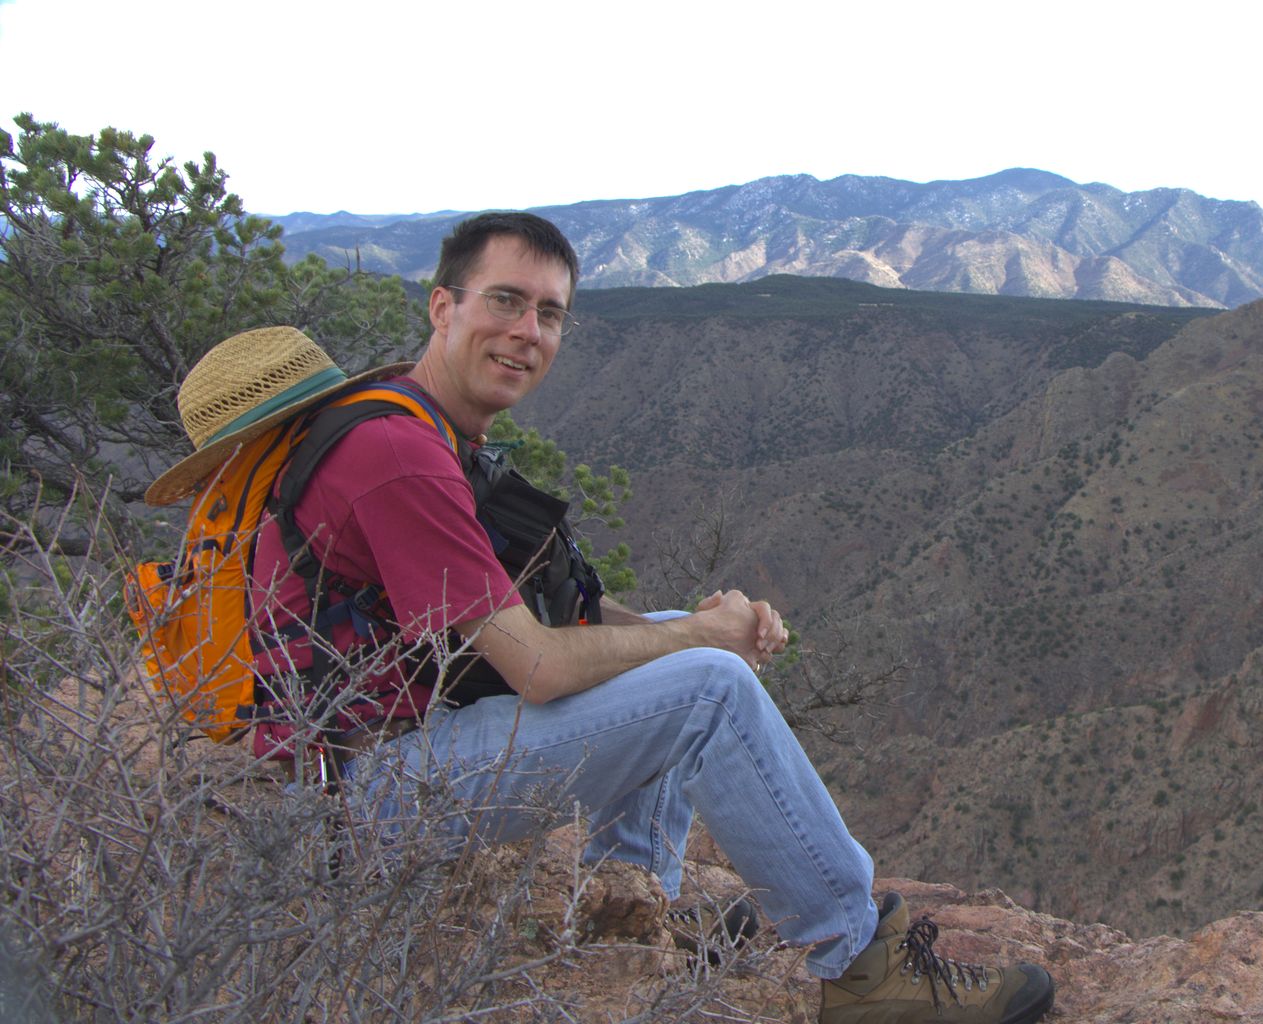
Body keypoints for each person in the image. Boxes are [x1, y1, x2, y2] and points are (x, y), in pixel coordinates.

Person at [153, 212, 1055, 1024]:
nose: (526, 332)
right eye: (505, 301)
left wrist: (681, 623)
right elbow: (538, 667)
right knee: (704, 688)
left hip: (363, 762)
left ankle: (628, 904)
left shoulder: (397, 423)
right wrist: (703, 641)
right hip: (365, 801)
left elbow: (535, 614)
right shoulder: (394, 453)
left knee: (669, 641)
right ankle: (864, 969)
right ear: (442, 306)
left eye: (548, 313)